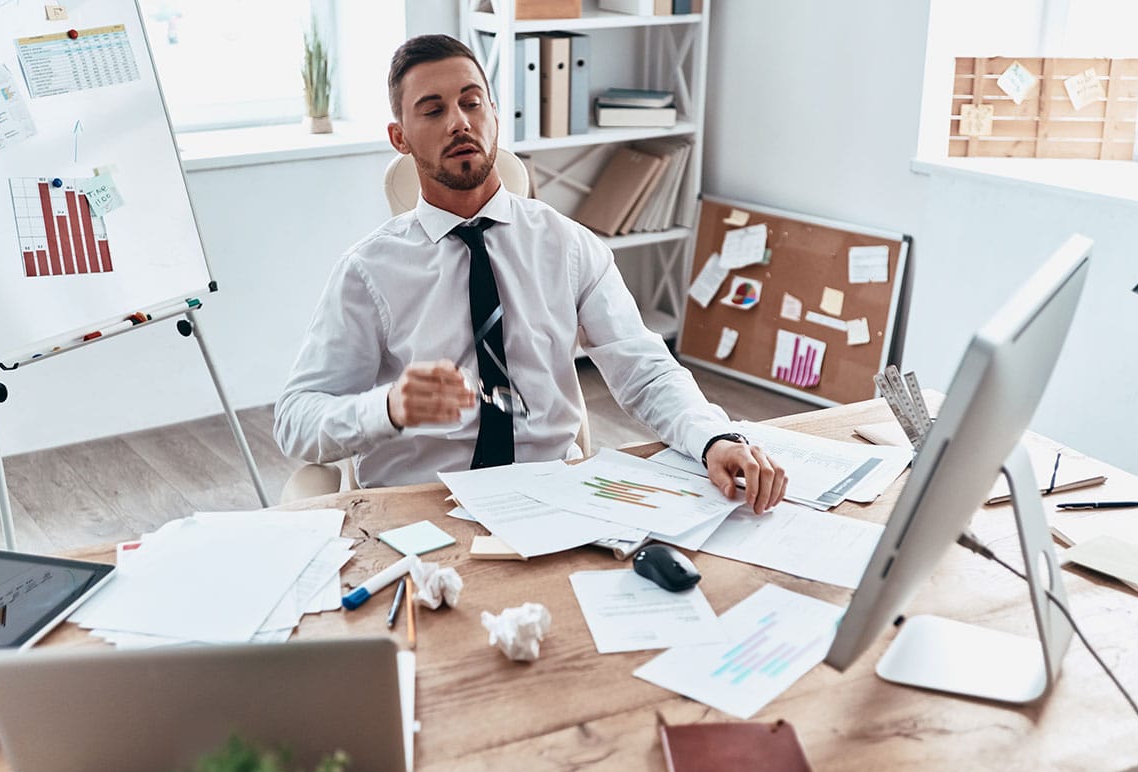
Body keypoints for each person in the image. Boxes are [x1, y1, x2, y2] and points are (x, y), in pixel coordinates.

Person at [274, 34, 788, 512]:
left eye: (472, 103)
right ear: (399, 137)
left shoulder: (568, 245)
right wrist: (387, 407)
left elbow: (645, 369)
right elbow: (296, 420)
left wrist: (714, 438)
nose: (459, 122)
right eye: (433, 110)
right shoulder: (368, 271)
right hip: (424, 508)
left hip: (554, 499)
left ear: (494, 114)